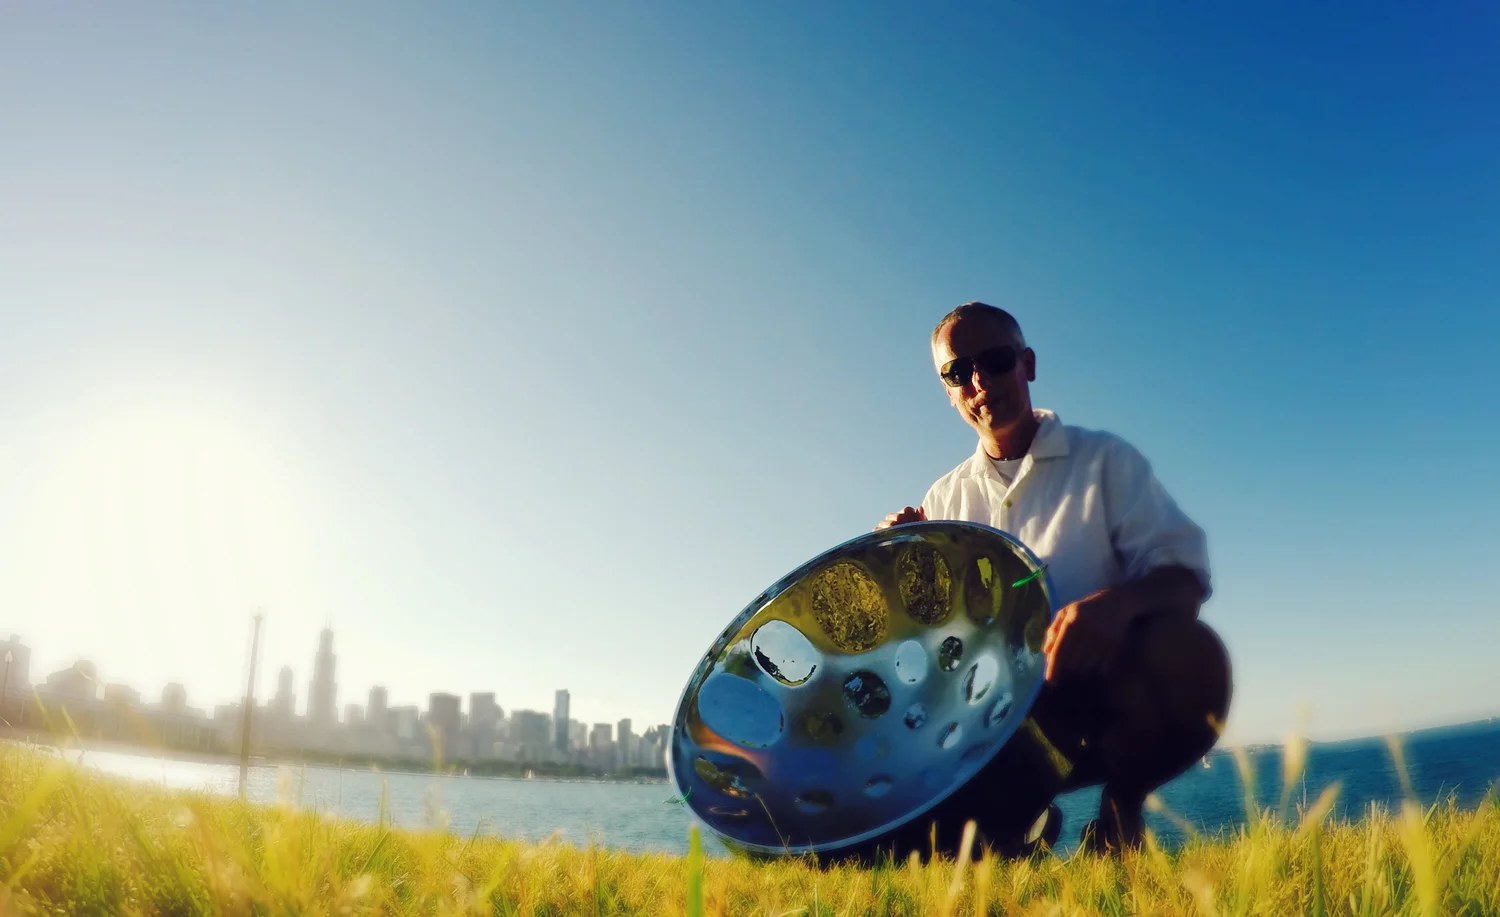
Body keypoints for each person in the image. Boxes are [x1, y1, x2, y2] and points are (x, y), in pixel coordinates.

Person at [878, 301, 1232, 854]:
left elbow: (1185, 577)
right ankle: (1017, 824)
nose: (979, 383)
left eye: (995, 361)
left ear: (1028, 364)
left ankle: (1120, 807)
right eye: (957, 372)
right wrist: (896, 560)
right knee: (924, 850)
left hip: (1104, 697)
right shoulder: (943, 500)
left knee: (1190, 653)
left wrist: (1114, 605)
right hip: (991, 721)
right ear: (946, 390)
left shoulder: (1103, 460)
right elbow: (934, 637)